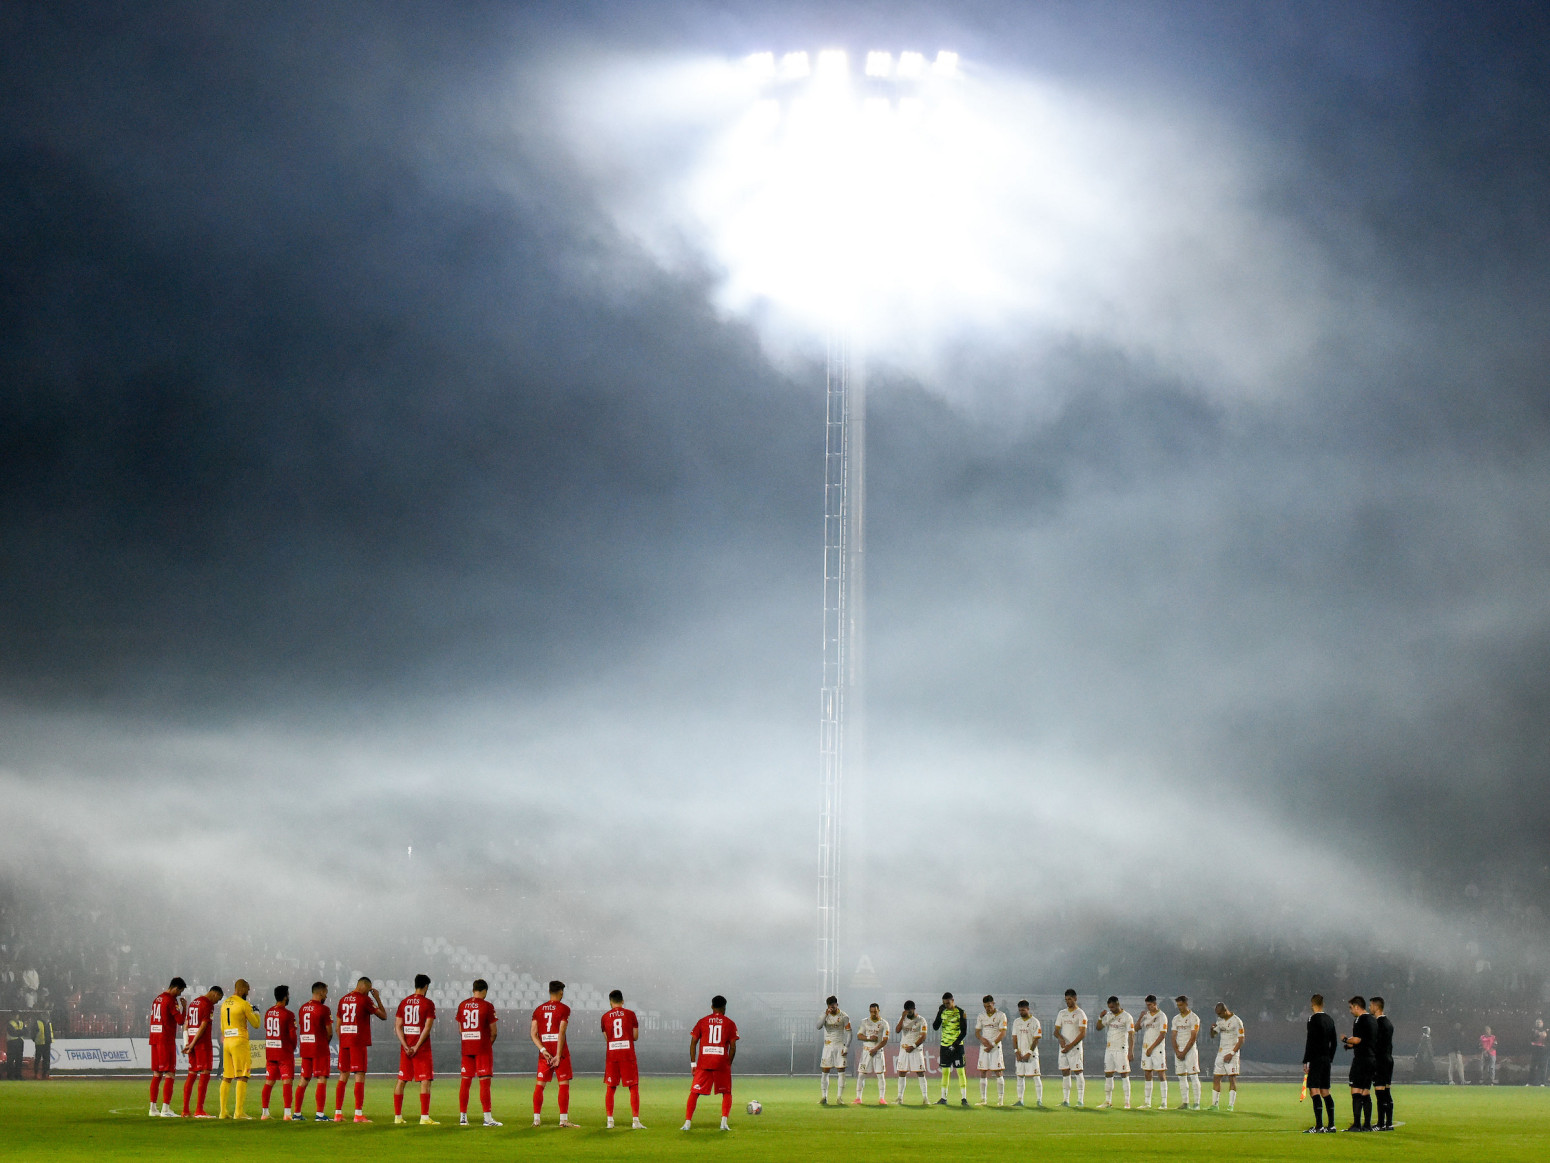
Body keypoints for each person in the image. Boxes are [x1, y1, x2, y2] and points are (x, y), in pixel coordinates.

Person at [334, 976, 387, 1122]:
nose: (369, 992)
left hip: (344, 1041)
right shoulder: (365, 1000)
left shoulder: (343, 999)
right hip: (358, 1042)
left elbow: (338, 1025)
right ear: (364, 986)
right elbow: (383, 1016)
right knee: (359, 1075)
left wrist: (343, 1039)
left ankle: (338, 1113)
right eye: (369, 989)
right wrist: (377, 998)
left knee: (343, 1076)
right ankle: (358, 1114)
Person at [682, 995, 738, 1131]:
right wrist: (728, 1063)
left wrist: (693, 1064)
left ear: (712, 1007)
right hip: (721, 1063)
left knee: (694, 1092)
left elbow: (693, 1043)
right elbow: (733, 1046)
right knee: (727, 1093)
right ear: (724, 1008)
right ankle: (723, 1122)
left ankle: (687, 1123)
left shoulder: (702, 1021)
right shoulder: (729, 1023)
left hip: (704, 1063)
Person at [531, 979, 578, 1127]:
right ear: (561, 993)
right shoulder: (564, 1009)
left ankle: (536, 1120)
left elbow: (533, 1034)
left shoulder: (538, 1010)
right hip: (560, 1052)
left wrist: (543, 1050)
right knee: (563, 1085)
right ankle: (563, 1121)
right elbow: (561, 1031)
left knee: (540, 1085)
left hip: (545, 1052)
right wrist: (558, 1055)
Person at [392, 974, 438, 1125]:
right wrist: (416, 1046)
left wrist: (405, 1045)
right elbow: (427, 1027)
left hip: (406, 1048)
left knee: (401, 1080)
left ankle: (397, 1117)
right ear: (426, 987)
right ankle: (424, 1117)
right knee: (425, 1080)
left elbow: (398, 1026)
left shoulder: (404, 1002)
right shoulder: (428, 1003)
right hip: (421, 1049)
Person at [457, 979, 502, 1127]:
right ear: (485, 991)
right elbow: (494, 1032)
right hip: (482, 1048)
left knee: (465, 1082)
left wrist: (468, 1039)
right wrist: (487, 1045)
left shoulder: (462, 1005)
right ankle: (487, 1118)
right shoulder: (487, 1006)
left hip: (467, 1047)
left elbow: (460, 1029)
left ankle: (463, 1117)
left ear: (473, 989)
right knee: (484, 1082)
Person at [218, 978, 262, 1119]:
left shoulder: (224, 1004)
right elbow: (255, 1024)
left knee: (227, 1076)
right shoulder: (244, 1004)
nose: (248, 993)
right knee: (242, 1076)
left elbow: (222, 1027)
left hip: (227, 1041)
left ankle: (223, 1111)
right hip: (239, 1041)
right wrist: (257, 1013)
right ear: (242, 989)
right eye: (247, 990)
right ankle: (239, 1112)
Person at [599, 988, 642, 1129]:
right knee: (633, 1086)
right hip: (627, 1054)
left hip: (612, 1055)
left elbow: (607, 1038)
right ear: (623, 1001)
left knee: (611, 1087)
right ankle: (635, 1121)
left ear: (610, 1002)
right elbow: (635, 1036)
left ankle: (610, 1121)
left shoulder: (605, 1017)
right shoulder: (630, 1014)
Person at [293, 982, 332, 1122]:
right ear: (320, 992)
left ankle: (296, 1113)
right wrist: (324, 1042)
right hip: (319, 1047)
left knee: (304, 1079)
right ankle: (320, 1115)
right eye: (326, 992)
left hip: (305, 1047)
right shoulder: (324, 1009)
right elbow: (329, 1032)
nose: (326, 995)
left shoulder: (303, 1008)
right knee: (321, 1079)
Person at [147, 977, 186, 1117]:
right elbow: (180, 1021)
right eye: (180, 991)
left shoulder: (157, 999)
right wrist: (184, 1007)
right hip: (165, 1040)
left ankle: (152, 1108)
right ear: (175, 988)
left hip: (154, 1039)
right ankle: (165, 1109)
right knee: (170, 1073)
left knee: (157, 1074)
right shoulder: (170, 1000)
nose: (179, 994)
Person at [182, 984, 222, 1117]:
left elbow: (187, 1024)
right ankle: (199, 1110)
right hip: (202, 1043)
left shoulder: (194, 1002)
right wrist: (193, 1044)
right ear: (215, 993)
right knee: (205, 1072)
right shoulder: (208, 1004)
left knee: (192, 1073)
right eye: (218, 999)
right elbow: (204, 1024)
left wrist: (187, 1042)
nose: (217, 1002)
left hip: (191, 1041)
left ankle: (185, 1110)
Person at [1301, 993, 1338, 1133]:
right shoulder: (1329, 1019)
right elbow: (1334, 1042)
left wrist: (1306, 1060)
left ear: (1312, 1004)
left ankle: (1319, 1126)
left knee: (1314, 1090)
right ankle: (1332, 1125)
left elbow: (1310, 1041)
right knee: (1325, 1091)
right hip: (1326, 1059)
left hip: (1316, 1058)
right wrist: (1330, 1058)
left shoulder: (1312, 1019)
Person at [259, 985, 297, 1120]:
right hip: (284, 1052)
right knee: (287, 1082)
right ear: (285, 996)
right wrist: (292, 1047)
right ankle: (287, 1113)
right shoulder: (288, 1014)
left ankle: (265, 1113)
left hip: (271, 1051)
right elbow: (292, 1035)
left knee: (269, 1082)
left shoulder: (268, 1012)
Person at [1342, 995, 1376, 1131]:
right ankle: (1367, 1125)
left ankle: (1356, 1125)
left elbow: (1357, 1039)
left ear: (1357, 1007)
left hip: (1361, 1060)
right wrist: (1351, 1046)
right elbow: (1366, 1041)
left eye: (1351, 1008)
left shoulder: (1359, 1020)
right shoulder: (1373, 1020)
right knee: (1365, 1092)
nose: (1350, 1011)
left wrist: (1345, 1040)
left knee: (1355, 1091)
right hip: (1371, 1059)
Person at [1097, 996, 1134, 1109]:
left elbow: (1131, 1034)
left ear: (1117, 1004)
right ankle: (1108, 1101)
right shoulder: (1108, 1016)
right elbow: (1098, 1028)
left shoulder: (1127, 1017)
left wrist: (1131, 1051)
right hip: (1109, 1049)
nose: (1111, 1009)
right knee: (1108, 1074)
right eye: (1109, 1007)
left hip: (1121, 1049)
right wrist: (1100, 1017)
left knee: (1124, 1074)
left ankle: (1127, 1102)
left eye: (1113, 1007)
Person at [935, 992, 970, 1106]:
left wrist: (954, 1044)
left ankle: (964, 1098)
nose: (946, 1005)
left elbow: (964, 1032)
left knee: (960, 1071)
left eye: (948, 1003)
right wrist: (939, 1012)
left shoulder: (960, 1012)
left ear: (953, 1000)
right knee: (945, 1072)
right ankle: (943, 1098)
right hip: (944, 1046)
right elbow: (935, 1027)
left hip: (957, 1046)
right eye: (944, 1004)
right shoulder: (943, 1011)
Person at [1054, 989, 1088, 1107]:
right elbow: (1056, 1031)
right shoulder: (1062, 1013)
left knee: (1078, 1072)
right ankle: (1066, 1100)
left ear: (1075, 998)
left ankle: (1080, 1100)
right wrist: (1061, 1039)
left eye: (1070, 999)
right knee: (1065, 1072)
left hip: (1074, 1048)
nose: (1068, 1001)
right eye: (1066, 999)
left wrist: (1071, 1045)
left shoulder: (1080, 1014)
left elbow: (1083, 1033)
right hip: (1063, 1047)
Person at [1209, 1002, 1244, 1112]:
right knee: (1216, 1077)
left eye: (1220, 1013)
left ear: (1225, 1011)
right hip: (1221, 1052)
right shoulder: (1220, 1020)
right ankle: (1214, 1104)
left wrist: (1232, 1053)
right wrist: (1212, 1030)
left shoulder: (1236, 1021)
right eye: (1217, 1014)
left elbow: (1241, 1039)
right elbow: (1213, 1036)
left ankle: (1230, 1105)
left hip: (1232, 1052)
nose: (1218, 1016)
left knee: (1232, 1078)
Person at [894, 1001, 930, 1104]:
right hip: (904, 1049)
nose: (908, 1012)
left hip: (916, 1049)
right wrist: (902, 1018)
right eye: (906, 1010)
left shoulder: (921, 1020)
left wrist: (913, 1046)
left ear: (914, 1009)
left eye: (910, 1010)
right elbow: (897, 1030)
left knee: (920, 1072)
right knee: (901, 1072)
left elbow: (923, 1036)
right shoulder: (903, 1019)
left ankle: (925, 1098)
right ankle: (900, 1098)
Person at [974, 995, 1007, 1106]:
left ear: (994, 1003)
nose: (987, 1008)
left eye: (989, 1006)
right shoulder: (981, 1016)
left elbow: (1003, 1033)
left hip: (995, 1047)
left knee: (998, 1072)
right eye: (985, 1006)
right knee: (983, 1071)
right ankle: (983, 1099)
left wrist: (992, 1044)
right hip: (984, 1047)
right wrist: (982, 1039)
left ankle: (1000, 1099)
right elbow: (977, 1032)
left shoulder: (1001, 1015)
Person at [1136, 995, 1168, 1110]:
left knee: (1160, 1073)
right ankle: (1147, 1102)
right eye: (1147, 1005)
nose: (1148, 1007)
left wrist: (1152, 1047)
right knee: (1147, 1073)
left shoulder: (1161, 1016)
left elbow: (1162, 1034)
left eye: (1150, 1005)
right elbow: (1136, 1028)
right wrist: (1140, 1018)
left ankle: (1164, 1102)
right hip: (1146, 1048)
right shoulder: (1146, 1016)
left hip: (1157, 1049)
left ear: (1155, 1004)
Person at [855, 1002, 891, 1105]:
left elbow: (885, 1040)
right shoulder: (865, 1022)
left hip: (878, 1052)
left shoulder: (884, 1023)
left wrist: (875, 1049)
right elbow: (859, 1036)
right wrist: (868, 1038)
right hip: (866, 1051)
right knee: (861, 1074)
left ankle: (882, 1098)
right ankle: (858, 1098)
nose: (873, 1014)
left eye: (875, 1011)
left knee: (880, 1074)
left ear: (878, 1010)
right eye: (871, 1012)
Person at [816, 996, 850, 1104]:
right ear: (827, 1006)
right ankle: (824, 1097)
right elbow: (818, 1026)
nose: (832, 1008)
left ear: (837, 1005)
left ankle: (839, 1097)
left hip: (839, 1045)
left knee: (841, 1070)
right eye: (830, 1006)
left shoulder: (844, 1016)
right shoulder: (824, 1015)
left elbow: (849, 1032)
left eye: (834, 1006)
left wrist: (846, 1046)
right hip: (828, 1046)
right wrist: (825, 1014)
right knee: (825, 1071)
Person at [1172, 996, 1202, 1110]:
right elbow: (1173, 1036)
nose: (1179, 1008)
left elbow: (1193, 1037)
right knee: (1181, 1076)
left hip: (1190, 1051)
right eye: (1178, 1005)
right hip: (1179, 1051)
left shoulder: (1194, 1018)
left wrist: (1184, 1052)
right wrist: (1177, 1051)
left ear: (1186, 1004)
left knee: (1193, 1076)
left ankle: (1197, 1103)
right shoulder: (1176, 1019)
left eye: (1181, 1005)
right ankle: (1185, 1102)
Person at [1011, 999, 1043, 1107]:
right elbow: (1014, 1038)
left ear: (1028, 1009)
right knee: (1020, 1077)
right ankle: (1020, 1100)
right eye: (1020, 1010)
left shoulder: (1035, 1022)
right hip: (1020, 1054)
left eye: (1023, 1010)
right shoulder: (1016, 1022)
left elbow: (1036, 1039)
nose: (1021, 1012)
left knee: (1036, 1076)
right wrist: (1016, 1052)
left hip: (1032, 1055)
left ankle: (1039, 1100)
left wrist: (1029, 1053)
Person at [1371, 997, 1395, 1130]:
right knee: (1386, 1092)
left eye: (1371, 1005)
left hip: (1380, 1060)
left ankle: (1380, 1124)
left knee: (1380, 1093)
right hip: (1388, 1059)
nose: (1370, 1008)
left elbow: (1376, 1044)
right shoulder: (1389, 1023)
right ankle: (1388, 1123)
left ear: (1376, 1006)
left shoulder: (1378, 1024)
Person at [4, 1011, 26, 1081]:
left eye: (17, 1015)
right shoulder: (10, 1023)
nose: (16, 1016)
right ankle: (10, 1075)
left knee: (19, 1060)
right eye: (15, 1015)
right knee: (11, 1060)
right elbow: (13, 1033)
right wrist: (20, 1032)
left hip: (20, 1042)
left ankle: (18, 1075)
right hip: (12, 1043)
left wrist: (18, 1032)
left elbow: (26, 1031)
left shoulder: (21, 1023)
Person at [33, 1011, 52, 1079]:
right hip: (39, 1043)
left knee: (46, 1059)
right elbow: (33, 1032)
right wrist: (35, 1040)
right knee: (38, 1059)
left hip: (47, 1043)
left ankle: (45, 1074)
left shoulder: (48, 1023)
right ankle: (36, 1074)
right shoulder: (38, 1023)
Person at [1529, 1019, 1547, 1087]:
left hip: (1542, 1050)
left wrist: (1546, 1046)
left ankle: (1542, 1082)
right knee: (1532, 1066)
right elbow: (1530, 1039)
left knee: (1542, 1066)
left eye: (1539, 1022)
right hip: (1535, 1049)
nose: (1538, 1024)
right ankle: (1530, 1082)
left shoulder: (1546, 1031)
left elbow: (1547, 1040)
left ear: (1542, 1023)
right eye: (1537, 1022)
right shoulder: (1533, 1031)